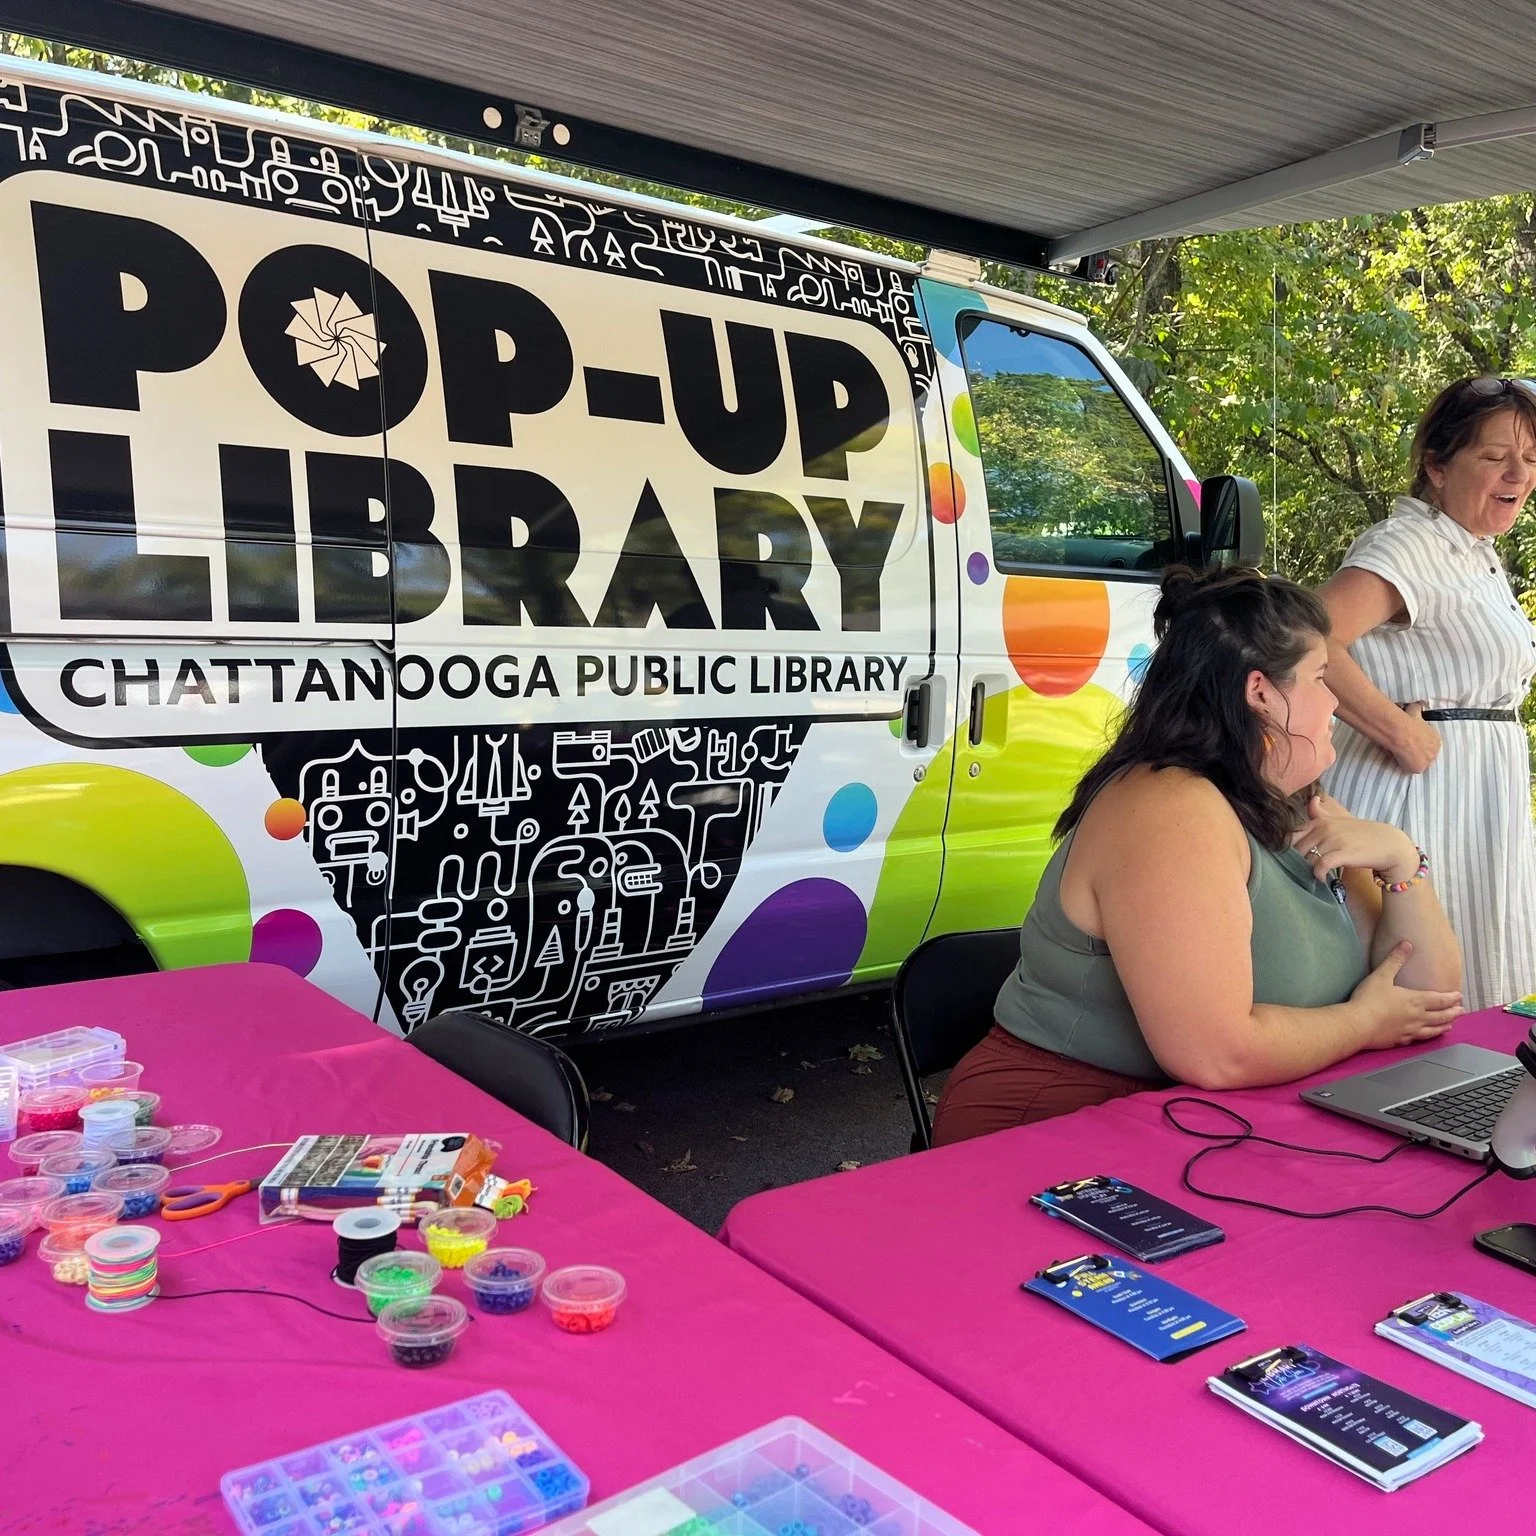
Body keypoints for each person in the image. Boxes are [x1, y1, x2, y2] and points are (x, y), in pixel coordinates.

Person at [930, 565, 1462, 1147]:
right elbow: (1216, 1054)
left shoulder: (1295, 803)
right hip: (1059, 1126)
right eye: (1318, 678)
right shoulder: (1169, 809)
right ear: (1259, 692)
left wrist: (1403, 863)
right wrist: (1362, 1023)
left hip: (1221, 1120)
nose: (1334, 702)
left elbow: (1424, 1001)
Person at [1318, 376, 1536, 1011]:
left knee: (1471, 963)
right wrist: (1396, 729)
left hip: (1472, 794)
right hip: (1419, 792)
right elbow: (1304, 635)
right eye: (1496, 457)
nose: (1518, 474)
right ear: (1436, 466)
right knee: (1415, 977)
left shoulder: (1472, 553)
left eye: (1530, 459)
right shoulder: (1410, 545)